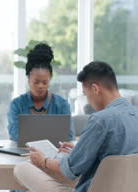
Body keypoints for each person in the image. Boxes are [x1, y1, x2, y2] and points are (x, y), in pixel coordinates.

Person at [14, 61, 138, 192]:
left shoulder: (99, 121)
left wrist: (43, 160)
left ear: (95, 89)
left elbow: (70, 170)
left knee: (22, 168)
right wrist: (80, 152)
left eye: (85, 94)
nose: (88, 100)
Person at [7, 43, 74, 142]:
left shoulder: (62, 105)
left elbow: (69, 135)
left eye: (45, 82)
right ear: (28, 79)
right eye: (36, 82)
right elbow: (14, 134)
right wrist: (48, 136)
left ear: (50, 79)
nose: (40, 86)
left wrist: (32, 136)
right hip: (24, 152)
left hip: (54, 154)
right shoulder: (16, 104)